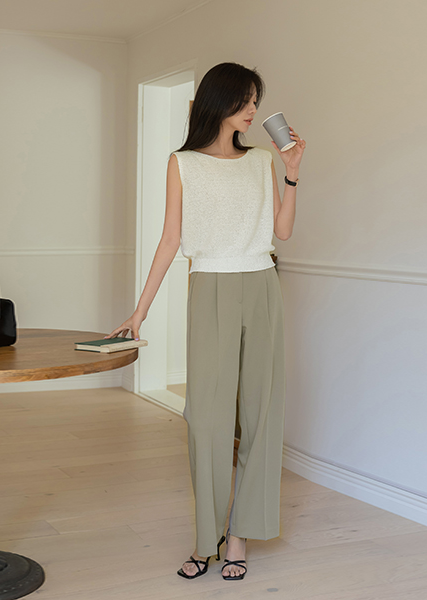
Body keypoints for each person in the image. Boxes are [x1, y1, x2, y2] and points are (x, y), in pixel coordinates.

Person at [108, 62, 305, 581]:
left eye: (257, 101)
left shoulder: (261, 159)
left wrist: (292, 172)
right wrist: (140, 309)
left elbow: (282, 230)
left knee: (261, 413)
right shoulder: (182, 163)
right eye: (246, 100)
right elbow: (170, 239)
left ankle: (240, 535)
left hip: (261, 284)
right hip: (211, 285)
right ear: (221, 101)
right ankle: (206, 537)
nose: (254, 110)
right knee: (207, 420)